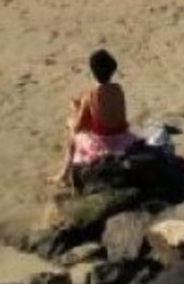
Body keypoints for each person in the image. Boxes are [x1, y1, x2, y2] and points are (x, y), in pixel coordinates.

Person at [54, 48, 139, 185]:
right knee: (83, 126)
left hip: (104, 144)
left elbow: (78, 126)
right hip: (123, 138)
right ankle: (63, 173)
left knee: (72, 131)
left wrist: (75, 111)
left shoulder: (91, 95)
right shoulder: (118, 89)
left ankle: (64, 173)